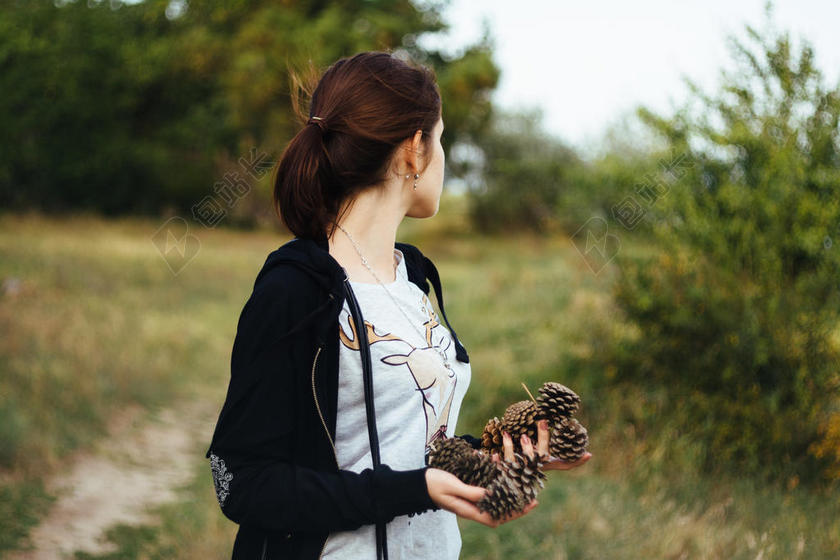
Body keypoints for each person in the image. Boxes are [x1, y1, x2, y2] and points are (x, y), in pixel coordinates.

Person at [205, 50, 591, 560]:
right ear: (414, 149)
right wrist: (414, 489)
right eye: (442, 138)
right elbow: (242, 481)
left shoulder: (413, 283)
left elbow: (406, 448)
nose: (444, 157)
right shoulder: (294, 291)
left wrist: (494, 454)